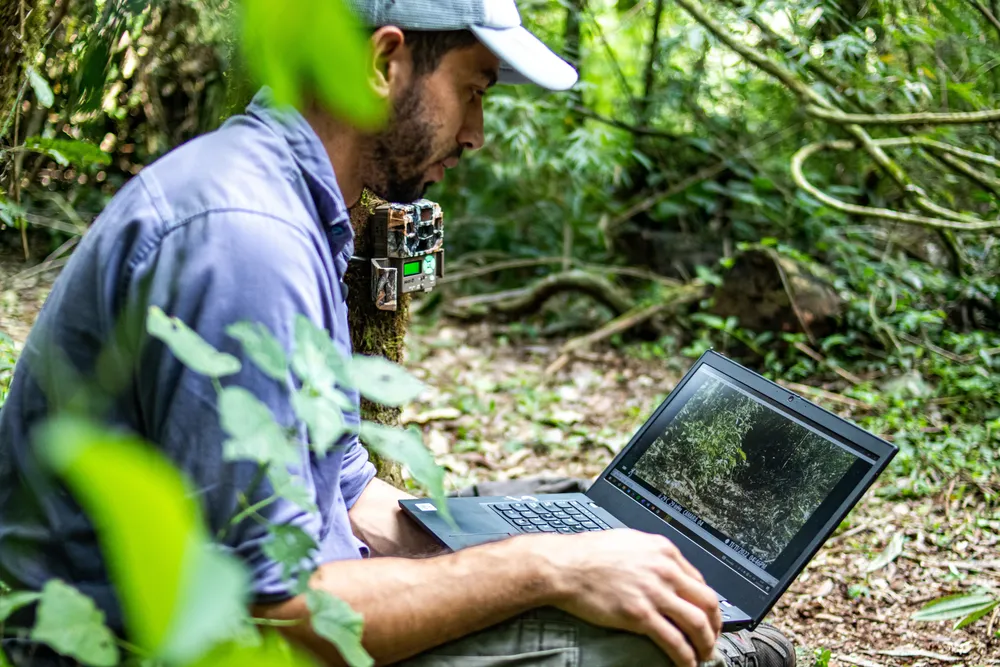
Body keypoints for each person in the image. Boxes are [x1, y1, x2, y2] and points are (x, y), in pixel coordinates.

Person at [0, 1, 797, 666]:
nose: (477, 132)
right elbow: (277, 609)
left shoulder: (289, 202)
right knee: (652, 649)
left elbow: (344, 484)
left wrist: (553, 551)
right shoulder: (247, 239)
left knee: (592, 547)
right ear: (385, 66)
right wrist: (541, 566)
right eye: (473, 90)